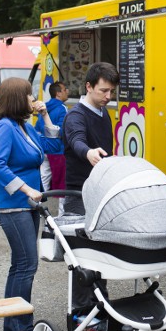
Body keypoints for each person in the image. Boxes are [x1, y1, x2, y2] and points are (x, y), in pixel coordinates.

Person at [0, 77, 63, 331]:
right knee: (27, 265)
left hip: (27, 205)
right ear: (18, 99)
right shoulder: (4, 127)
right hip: (12, 206)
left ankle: (12, 323)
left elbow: (54, 147)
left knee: (20, 264)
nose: (34, 100)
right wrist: (25, 189)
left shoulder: (24, 127)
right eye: (30, 97)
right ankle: (22, 329)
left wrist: (44, 116)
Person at [63, 62, 119, 309]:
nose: (109, 96)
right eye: (103, 91)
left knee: (101, 252)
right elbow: (76, 140)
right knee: (83, 255)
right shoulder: (75, 114)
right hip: (79, 194)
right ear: (88, 86)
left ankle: (100, 303)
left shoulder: (103, 112)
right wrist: (88, 153)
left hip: (100, 193)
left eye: (111, 92)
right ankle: (81, 310)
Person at [35, 81, 68, 193]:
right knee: (61, 185)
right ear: (58, 93)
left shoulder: (45, 108)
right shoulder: (62, 108)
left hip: (44, 149)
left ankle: (36, 206)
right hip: (58, 150)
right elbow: (63, 130)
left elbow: (38, 128)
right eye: (64, 90)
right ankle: (62, 211)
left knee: (43, 180)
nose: (67, 91)